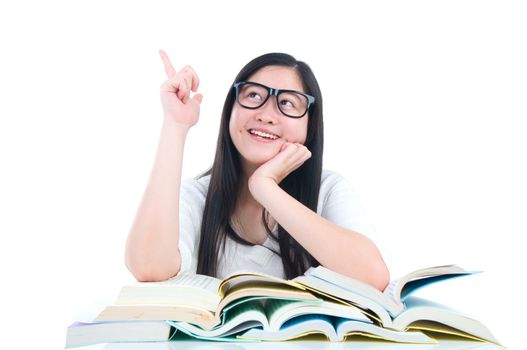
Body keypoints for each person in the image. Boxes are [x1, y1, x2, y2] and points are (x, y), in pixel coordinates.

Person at [125, 50, 390, 291]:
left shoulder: (328, 190)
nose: (266, 114)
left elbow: (373, 277)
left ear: (310, 125)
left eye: (287, 103)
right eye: (253, 95)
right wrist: (175, 124)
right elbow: (149, 268)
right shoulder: (199, 196)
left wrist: (265, 188)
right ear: (231, 109)